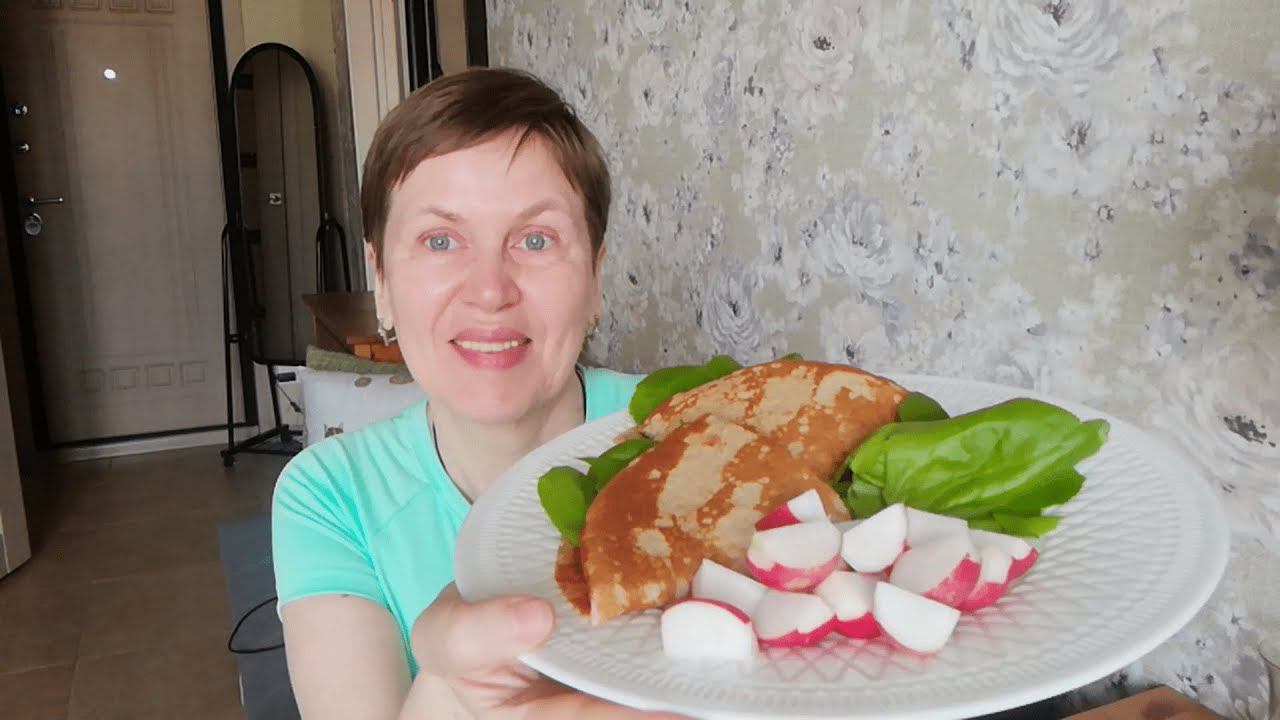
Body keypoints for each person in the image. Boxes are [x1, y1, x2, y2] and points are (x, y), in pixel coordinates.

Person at [271, 68, 683, 719]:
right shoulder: (329, 495)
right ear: (381, 281)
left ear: (595, 280)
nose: (490, 290)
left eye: (536, 239)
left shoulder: (688, 435)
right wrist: (455, 680)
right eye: (440, 240)